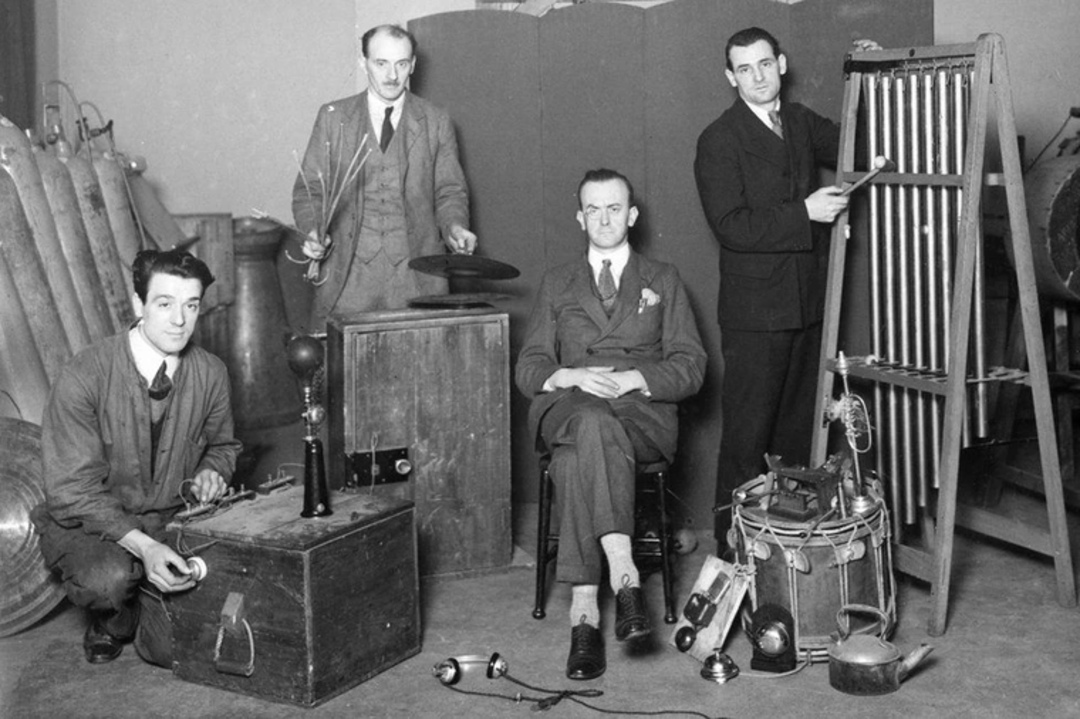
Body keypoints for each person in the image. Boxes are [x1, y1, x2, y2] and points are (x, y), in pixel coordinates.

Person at [516, 169, 706, 680]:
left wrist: (632, 379)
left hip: (639, 415)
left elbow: (691, 365)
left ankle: (584, 615)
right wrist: (571, 373)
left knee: (582, 448)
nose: (604, 219)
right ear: (580, 217)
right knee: (589, 421)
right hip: (570, 405)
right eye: (593, 209)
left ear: (633, 215)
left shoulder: (662, 278)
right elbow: (529, 367)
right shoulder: (558, 281)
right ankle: (625, 578)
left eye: (614, 208)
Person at [694, 28, 876, 551]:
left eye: (764, 64)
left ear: (782, 64)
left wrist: (867, 77)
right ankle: (732, 557)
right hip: (755, 316)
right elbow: (731, 225)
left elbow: (855, 140)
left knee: (798, 437)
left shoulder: (798, 122)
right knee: (747, 441)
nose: (757, 76)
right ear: (731, 78)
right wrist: (805, 212)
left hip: (807, 306)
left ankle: (788, 553)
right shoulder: (718, 139)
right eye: (744, 69)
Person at [31, 249, 242, 666]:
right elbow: (71, 491)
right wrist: (144, 548)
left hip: (170, 519)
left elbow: (223, 447)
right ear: (138, 304)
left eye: (191, 305)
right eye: (165, 304)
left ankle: (147, 598)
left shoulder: (212, 372)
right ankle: (114, 620)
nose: (180, 320)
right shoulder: (84, 374)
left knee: (173, 652)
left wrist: (211, 474)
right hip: (89, 525)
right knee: (106, 581)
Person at [292, 23, 477, 329]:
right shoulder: (333, 118)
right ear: (364, 63)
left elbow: (449, 192)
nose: (392, 76)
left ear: (413, 65)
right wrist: (313, 230)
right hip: (347, 280)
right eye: (381, 63)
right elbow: (309, 190)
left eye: (401, 64)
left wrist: (455, 227)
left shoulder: (436, 121)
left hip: (417, 280)